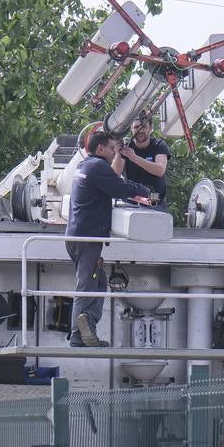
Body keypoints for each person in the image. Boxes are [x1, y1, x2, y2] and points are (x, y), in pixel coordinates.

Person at [67, 130, 152, 347]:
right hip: (88, 238)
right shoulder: (97, 167)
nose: (115, 151)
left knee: (99, 281)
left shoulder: (84, 166)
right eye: (111, 148)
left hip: (79, 235)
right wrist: (144, 191)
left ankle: (87, 324)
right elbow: (119, 188)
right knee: (86, 285)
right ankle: (79, 336)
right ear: (100, 148)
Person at [111, 110, 170, 207]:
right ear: (131, 128)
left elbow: (160, 170)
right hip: (132, 200)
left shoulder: (159, 145)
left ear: (151, 128)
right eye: (136, 127)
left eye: (144, 127)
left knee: (152, 205)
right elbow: (114, 175)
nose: (140, 131)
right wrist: (117, 153)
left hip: (154, 197)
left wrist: (134, 158)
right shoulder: (127, 147)